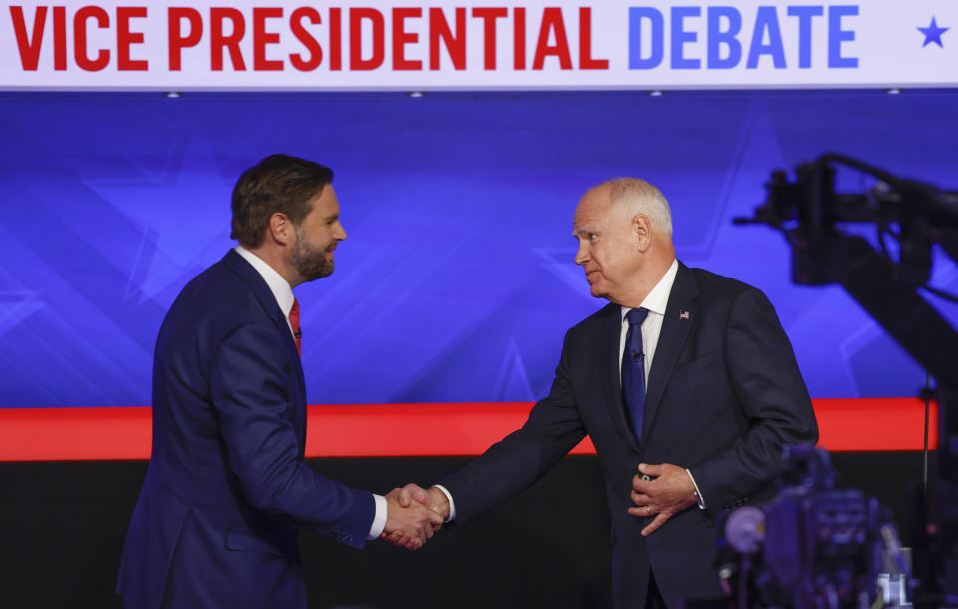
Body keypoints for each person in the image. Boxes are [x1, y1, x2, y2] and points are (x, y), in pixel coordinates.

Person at [395, 178, 819, 608]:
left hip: (733, 574)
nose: (580, 255)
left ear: (640, 231)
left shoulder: (731, 308)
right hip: (638, 584)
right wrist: (441, 501)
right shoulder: (586, 342)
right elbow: (537, 443)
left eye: (590, 237)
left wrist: (695, 483)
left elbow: (791, 431)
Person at [116, 154, 441, 609]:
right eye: (330, 220)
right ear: (281, 227)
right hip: (214, 578)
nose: (340, 233)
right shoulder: (245, 320)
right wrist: (384, 514)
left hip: (198, 564)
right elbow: (270, 479)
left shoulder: (216, 290)